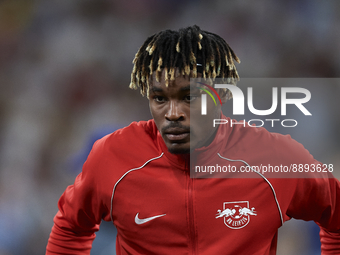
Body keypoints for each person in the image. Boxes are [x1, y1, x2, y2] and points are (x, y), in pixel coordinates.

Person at [46, 25, 340, 254]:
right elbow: (71, 227)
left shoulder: (273, 158)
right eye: (159, 98)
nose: (173, 113)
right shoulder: (113, 155)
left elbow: (336, 216)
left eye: (189, 97)